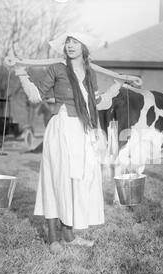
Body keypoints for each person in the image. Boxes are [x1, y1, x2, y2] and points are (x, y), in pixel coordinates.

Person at [13, 32, 123, 253]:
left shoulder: (90, 73)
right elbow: (36, 96)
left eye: (75, 42)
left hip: (83, 131)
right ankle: (54, 237)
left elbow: (96, 103)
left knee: (79, 181)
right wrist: (21, 74)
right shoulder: (56, 69)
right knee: (58, 180)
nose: (70, 46)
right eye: (68, 42)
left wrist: (117, 86)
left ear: (83, 46)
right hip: (62, 128)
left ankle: (70, 236)